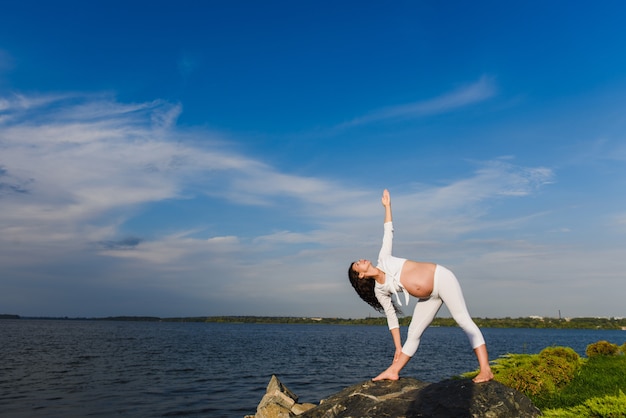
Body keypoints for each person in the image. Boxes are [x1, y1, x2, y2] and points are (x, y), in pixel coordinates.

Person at [348, 189, 494, 383]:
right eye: (359, 264)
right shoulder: (379, 289)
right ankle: (393, 371)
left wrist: (387, 206)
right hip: (428, 296)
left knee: (463, 320)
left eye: (359, 260)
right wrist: (398, 348)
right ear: (361, 275)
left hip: (441, 278)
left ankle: (485, 369)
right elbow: (392, 318)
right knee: (413, 334)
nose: (362, 260)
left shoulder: (384, 259)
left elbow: (388, 231)